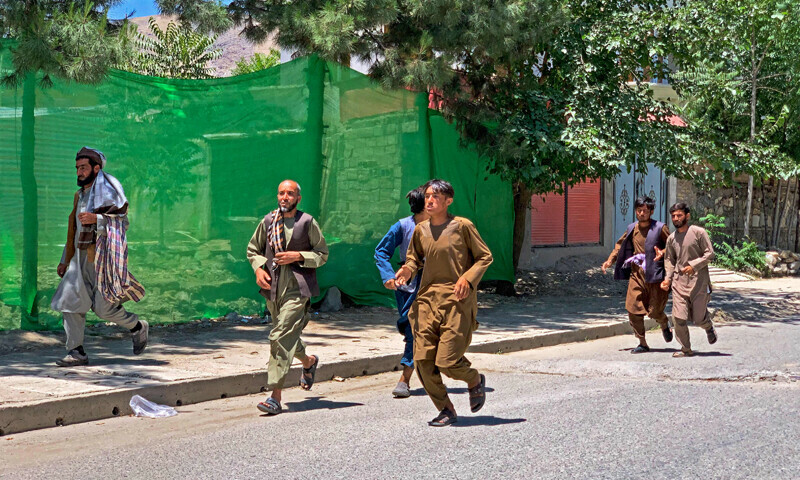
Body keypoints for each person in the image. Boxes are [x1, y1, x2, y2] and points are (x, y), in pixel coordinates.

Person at [395, 179, 493, 427]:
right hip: (427, 301)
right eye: (427, 196)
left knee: (447, 361)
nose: (429, 200)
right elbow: (414, 259)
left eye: (436, 197)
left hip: (457, 300)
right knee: (423, 361)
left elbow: (484, 257)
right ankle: (446, 409)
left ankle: (473, 380)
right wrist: (406, 271)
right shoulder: (421, 230)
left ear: (448, 201)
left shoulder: (462, 226)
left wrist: (468, 280)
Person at [51, 147, 148, 367]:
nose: (79, 172)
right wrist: (65, 259)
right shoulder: (79, 196)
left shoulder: (109, 191)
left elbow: (121, 223)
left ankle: (137, 327)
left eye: (83, 167)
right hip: (79, 260)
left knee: (104, 309)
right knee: (69, 303)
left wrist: (96, 219)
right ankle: (76, 352)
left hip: (103, 259)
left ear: (96, 168)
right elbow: (73, 229)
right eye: (77, 168)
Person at [247, 180, 329, 415]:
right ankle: (308, 361)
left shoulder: (307, 222)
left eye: (290, 193)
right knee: (286, 335)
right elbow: (253, 249)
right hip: (272, 289)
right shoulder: (268, 221)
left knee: (280, 335)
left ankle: (275, 395)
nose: (284, 197)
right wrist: (259, 269)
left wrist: (298, 256)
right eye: (281, 193)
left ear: (298, 198)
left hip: (297, 289)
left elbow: (322, 255)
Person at [374, 187, 428, 398]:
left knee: (417, 329)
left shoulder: (444, 227)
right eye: (430, 199)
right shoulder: (403, 226)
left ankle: (404, 378)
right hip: (408, 285)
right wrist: (388, 276)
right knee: (411, 325)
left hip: (434, 285)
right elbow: (381, 251)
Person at [602, 195, 672, 353]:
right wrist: (610, 260)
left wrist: (663, 251)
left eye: (645, 211)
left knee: (655, 312)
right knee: (633, 309)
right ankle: (642, 343)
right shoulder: (632, 228)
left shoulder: (660, 228)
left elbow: (674, 247)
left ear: (651, 212)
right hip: (637, 276)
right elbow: (620, 246)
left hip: (655, 277)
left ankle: (664, 323)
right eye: (639, 210)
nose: (641, 213)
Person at [659, 203, 718, 357]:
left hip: (699, 282)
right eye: (673, 216)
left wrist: (694, 266)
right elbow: (670, 260)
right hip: (679, 283)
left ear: (687, 216)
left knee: (698, 319)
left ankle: (708, 326)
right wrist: (667, 279)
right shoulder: (671, 238)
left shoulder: (699, 232)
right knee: (678, 317)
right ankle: (686, 349)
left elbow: (710, 254)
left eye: (679, 215)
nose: (676, 218)